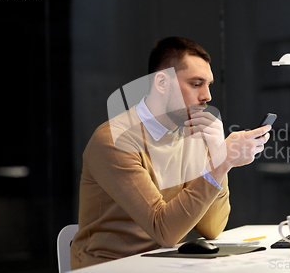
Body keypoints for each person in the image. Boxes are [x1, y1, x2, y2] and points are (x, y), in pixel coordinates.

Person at [70, 37, 271, 269]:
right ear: (162, 83)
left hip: (165, 263)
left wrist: (217, 154)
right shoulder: (115, 140)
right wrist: (221, 163)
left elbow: (212, 228)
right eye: (196, 84)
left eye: (209, 84)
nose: (207, 96)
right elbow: (163, 231)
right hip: (111, 266)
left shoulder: (190, 134)